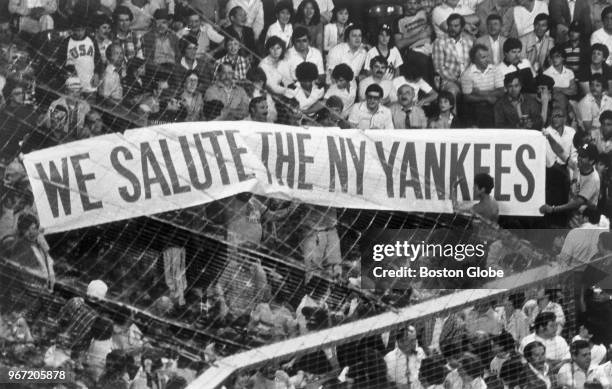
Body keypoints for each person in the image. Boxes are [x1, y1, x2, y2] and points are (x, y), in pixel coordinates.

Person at [540, 143, 600, 228]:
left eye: (583, 156)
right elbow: (561, 152)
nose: (579, 158)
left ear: (591, 160)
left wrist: (553, 209)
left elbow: (576, 203)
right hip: (572, 221)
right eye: (579, 154)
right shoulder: (579, 166)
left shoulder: (593, 179)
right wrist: (549, 137)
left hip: (585, 226)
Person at [542, 106, 577, 227]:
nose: (554, 119)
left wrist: (573, 171)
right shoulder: (547, 132)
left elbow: (574, 154)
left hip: (570, 167)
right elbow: (551, 160)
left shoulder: (571, 132)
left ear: (565, 118)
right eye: (553, 116)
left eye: (558, 116)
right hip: (553, 171)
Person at [460, 43, 504, 128]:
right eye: (483, 57)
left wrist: (479, 92)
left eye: (487, 56)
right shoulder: (467, 74)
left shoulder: (495, 70)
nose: (487, 60)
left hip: (495, 102)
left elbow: (501, 91)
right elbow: (467, 97)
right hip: (477, 106)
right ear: (474, 60)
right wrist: (486, 98)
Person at [8, 213, 55, 291]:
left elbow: (48, 264)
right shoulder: (21, 247)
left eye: (33, 228)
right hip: (33, 293)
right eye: (26, 230)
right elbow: (22, 276)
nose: (31, 233)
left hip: (45, 288)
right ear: (21, 231)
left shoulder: (38, 243)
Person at [432, 13, 473, 99]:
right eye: (450, 26)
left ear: (462, 27)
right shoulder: (439, 42)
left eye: (456, 26)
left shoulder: (469, 41)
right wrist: (458, 80)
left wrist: (468, 79)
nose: (452, 28)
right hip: (448, 80)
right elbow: (439, 68)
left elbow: (472, 63)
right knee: (452, 91)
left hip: (468, 79)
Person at [58, 18, 101, 94]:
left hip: (90, 82)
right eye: (77, 30)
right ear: (72, 30)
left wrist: (97, 73)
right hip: (74, 86)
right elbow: (60, 63)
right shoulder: (66, 42)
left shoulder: (91, 40)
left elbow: (98, 59)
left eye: (82, 30)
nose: (79, 33)